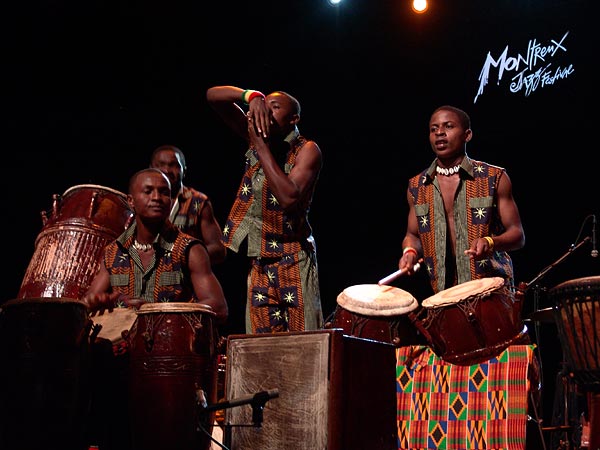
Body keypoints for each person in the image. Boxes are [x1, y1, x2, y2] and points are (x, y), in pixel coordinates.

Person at [81, 168, 228, 450]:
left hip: (171, 367)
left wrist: (156, 310)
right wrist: (96, 303)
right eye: (148, 191)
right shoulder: (113, 251)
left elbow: (218, 308)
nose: (157, 197)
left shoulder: (189, 249)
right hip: (119, 367)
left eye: (164, 192)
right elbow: (89, 303)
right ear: (131, 200)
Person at [206, 85, 323, 333]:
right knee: (260, 347)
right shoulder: (256, 137)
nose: (267, 112)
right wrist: (252, 96)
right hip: (259, 260)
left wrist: (260, 146)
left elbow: (288, 197)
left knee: (305, 342)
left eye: (276, 107)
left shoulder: (308, 150)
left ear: (294, 119)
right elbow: (213, 97)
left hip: (293, 257)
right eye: (264, 107)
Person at [397, 104, 525, 292]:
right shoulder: (417, 186)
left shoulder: (494, 177)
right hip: (443, 294)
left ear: (467, 135)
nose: (440, 133)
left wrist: (490, 242)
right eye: (434, 129)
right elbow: (412, 235)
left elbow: (518, 235)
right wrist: (410, 251)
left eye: (448, 126)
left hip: (491, 291)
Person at [149, 144, 227, 265]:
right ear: (150, 169)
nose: (166, 170)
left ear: (184, 170)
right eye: (160, 165)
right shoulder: (140, 201)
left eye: (173, 165)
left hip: (184, 279)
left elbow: (218, 249)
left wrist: (181, 257)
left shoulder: (198, 201)